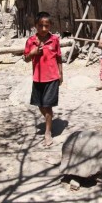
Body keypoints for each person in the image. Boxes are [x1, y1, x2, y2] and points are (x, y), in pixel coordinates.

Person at [23, 12, 63, 146]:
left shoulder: (55, 40)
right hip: (37, 79)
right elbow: (26, 59)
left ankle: (48, 132)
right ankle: (48, 118)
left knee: (47, 105)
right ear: (35, 26)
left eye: (47, 25)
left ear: (51, 25)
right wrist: (33, 52)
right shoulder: (31, 41)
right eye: (41, 26)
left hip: (51, 78)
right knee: (40, 105)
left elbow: (58, 57)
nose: (44, 29)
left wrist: (61, 74)